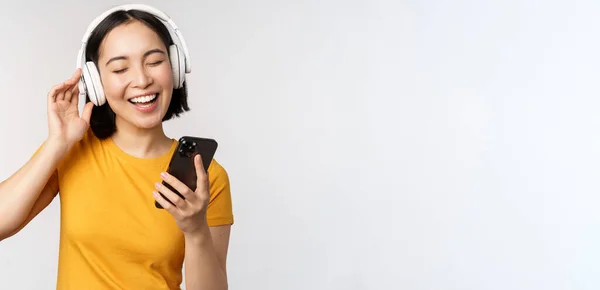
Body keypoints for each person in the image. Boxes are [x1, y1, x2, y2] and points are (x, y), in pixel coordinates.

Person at [0, 4, 233, 290]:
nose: (142, 80)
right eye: (121, 68)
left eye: (155, 61)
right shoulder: (72, 150)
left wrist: (196, 230)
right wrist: (57, 143)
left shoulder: (207, 176)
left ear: (175, 67)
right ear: (96, 82)